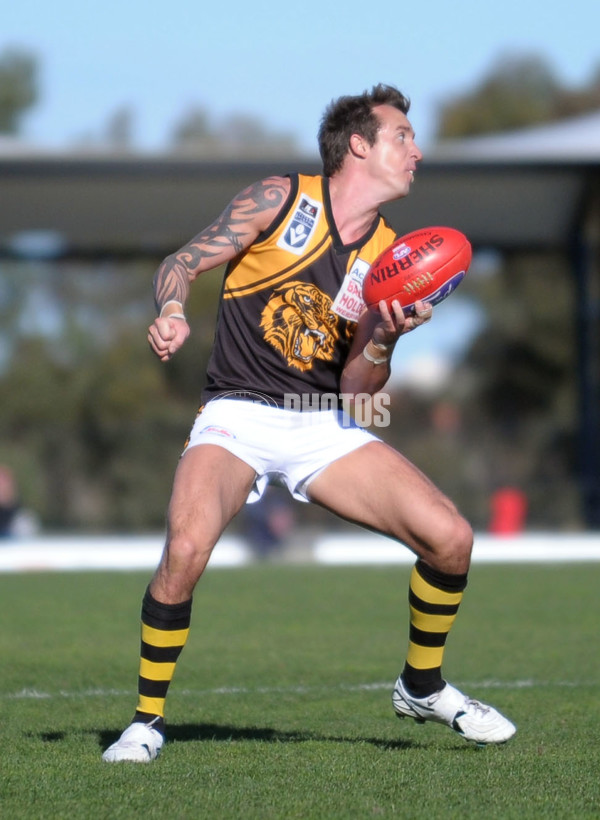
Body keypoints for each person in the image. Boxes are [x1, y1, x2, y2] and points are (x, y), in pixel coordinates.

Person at [103, 84, 515, 762]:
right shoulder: (279, 198)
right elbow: (181, 262)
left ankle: (421, 685)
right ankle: (146, 722)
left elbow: (359, 390)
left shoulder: (390, 257)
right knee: (183, 553)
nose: (418, 150)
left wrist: (385, 337)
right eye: (403, 136)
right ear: (359, 144)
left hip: (318, 420)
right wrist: (173, 310)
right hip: (236, 410)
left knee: (451, 539)